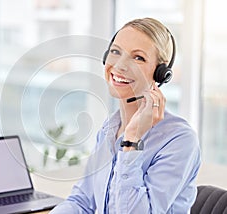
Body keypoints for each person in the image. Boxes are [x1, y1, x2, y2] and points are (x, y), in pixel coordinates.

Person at [50, 17, 201, 213]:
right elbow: (81, 201)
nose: (120, 65)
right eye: (115, 52)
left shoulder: (179, 140)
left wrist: (132, 141)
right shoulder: (109, 130)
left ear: (161, 73)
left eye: (138, 57)